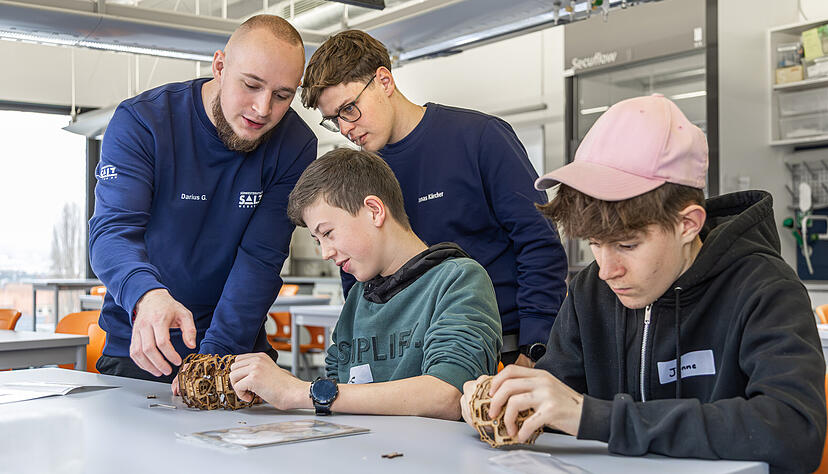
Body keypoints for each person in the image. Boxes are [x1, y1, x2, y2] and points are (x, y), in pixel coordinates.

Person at [460, 94, 827, 472]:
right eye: (595, 245)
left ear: (688, 224)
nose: (607, 270)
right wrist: (505, 402)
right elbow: (554, 407)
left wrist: (595, 417)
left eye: (627, 245)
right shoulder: (590, 292)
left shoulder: (765, 288)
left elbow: (795, 432)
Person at [299, 30, 567, 366]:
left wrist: (534, 348)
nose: (346, 128)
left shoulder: (480, 138)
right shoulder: (361, 172)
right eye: (334, 119)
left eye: (350, 109)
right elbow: (357, 277)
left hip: (502, 352)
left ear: (384, 81)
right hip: (405, 359)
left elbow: (539, 243)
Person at [88, 15, 317, 385]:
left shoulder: (295, 146)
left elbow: (260, 257)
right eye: (251, 85)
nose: (262, 109)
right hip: (143, 348)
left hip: (235, 350)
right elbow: (112, 233)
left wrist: (210, 361)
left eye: (282, 96)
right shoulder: (144, 122)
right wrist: (146, 295)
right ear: (220, 66)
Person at [229, 148, 501, 420]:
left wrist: (299, 392)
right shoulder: (359, 296)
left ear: (374, 211)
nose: (325, 253)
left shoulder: (458, 280)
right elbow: (339, 394)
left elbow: (449, 395)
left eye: (328, 233)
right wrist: (279, 386)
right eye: (317, 240)